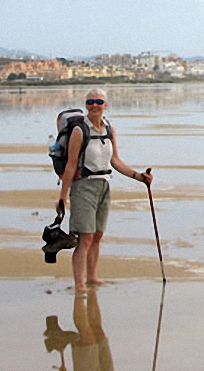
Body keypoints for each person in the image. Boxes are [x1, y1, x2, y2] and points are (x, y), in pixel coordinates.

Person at [57, 88, 152, 293]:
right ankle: (79, 284)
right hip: (83, 186)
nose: (94, 105)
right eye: (90, 101)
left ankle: (92, 277)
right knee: (86, 238)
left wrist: (139, 177)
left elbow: (115, 160)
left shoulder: (109, 128)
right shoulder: (79, 131)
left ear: (105, 105)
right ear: (86, 105)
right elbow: (71, 165)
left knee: (97, 235)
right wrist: (62, 196)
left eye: (99, 102)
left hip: (104, 185)